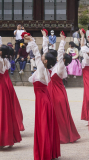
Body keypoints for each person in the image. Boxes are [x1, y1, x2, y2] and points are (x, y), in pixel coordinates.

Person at [23, 32, 60, 160]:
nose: (42, 55)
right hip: (44, 99)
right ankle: (48, 151)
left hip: (43, 101)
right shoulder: (46, 69)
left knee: (43, 127)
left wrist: (32, 40)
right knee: (45, 126)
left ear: (45, 60)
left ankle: (44, 152)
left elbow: (37, 55)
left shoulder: (42, 69)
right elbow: (42, 53)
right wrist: (42, 38)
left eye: (43, 56)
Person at [47, 31, 80, 144]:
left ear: (64, 60)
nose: (58, 57)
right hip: (55, 91)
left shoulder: (61, 66)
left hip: (57, 92)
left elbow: (60, 53)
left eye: (61, 57)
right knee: (56, 113)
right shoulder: (56, 66)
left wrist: (62, 41)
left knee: (59, 114)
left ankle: (62, 135)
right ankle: (57, 133)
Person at [0, 44, 22, 148]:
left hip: (1, 86)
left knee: (2, 111)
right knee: (6, 111)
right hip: (4, 85)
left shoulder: (1, 61)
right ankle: (8, 137)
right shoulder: (5, 60)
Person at [80, 35, 89, 122]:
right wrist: (82, 36)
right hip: (86, 77)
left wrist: (82, 36)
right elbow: (82, 46)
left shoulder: (88, 59)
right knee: (86, 96)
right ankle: (88, 117)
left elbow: (82, 47)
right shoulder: (86, 59)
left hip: (88, 77)